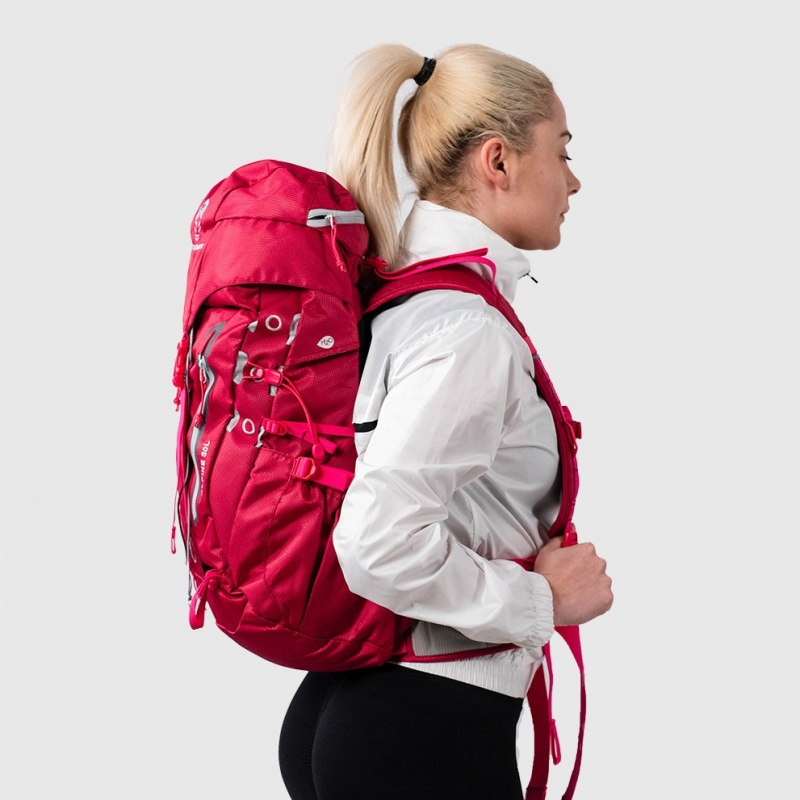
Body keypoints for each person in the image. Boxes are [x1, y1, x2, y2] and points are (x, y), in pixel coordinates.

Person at [278, 43, 613, 800]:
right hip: (422, 729)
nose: (573, 181)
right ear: (499, 161)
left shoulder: (402, 298)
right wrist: (542, 602)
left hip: (371, 707)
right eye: (561, 152)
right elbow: (378, 540)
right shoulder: (464, 329)